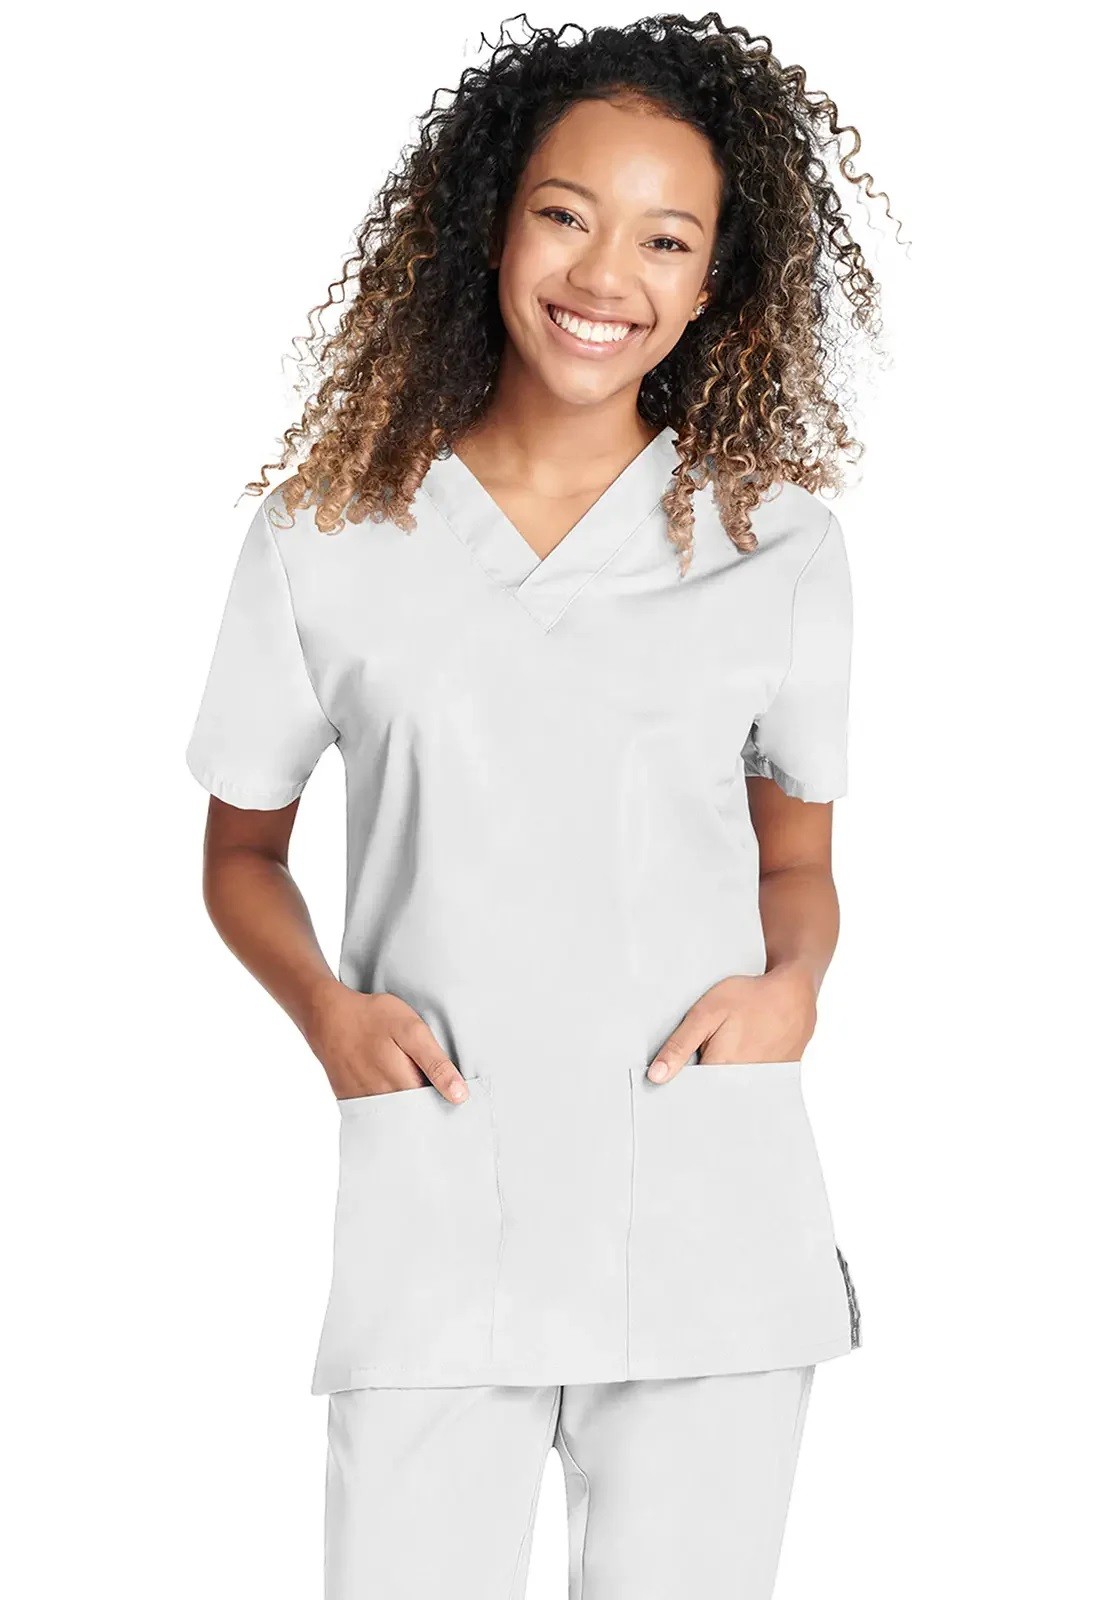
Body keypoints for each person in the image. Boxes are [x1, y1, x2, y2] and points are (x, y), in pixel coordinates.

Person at [184, 14, 893, 1598]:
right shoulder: (328, 535)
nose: (604, 274)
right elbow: (241, 849)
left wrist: (796, 985)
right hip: (443, 1200)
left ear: (710, 287)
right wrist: (325, 1014)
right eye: (567, 214)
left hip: (706, 1213)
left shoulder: (778, 546)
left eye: (665, 238)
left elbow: (798, 860)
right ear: (494, 224)